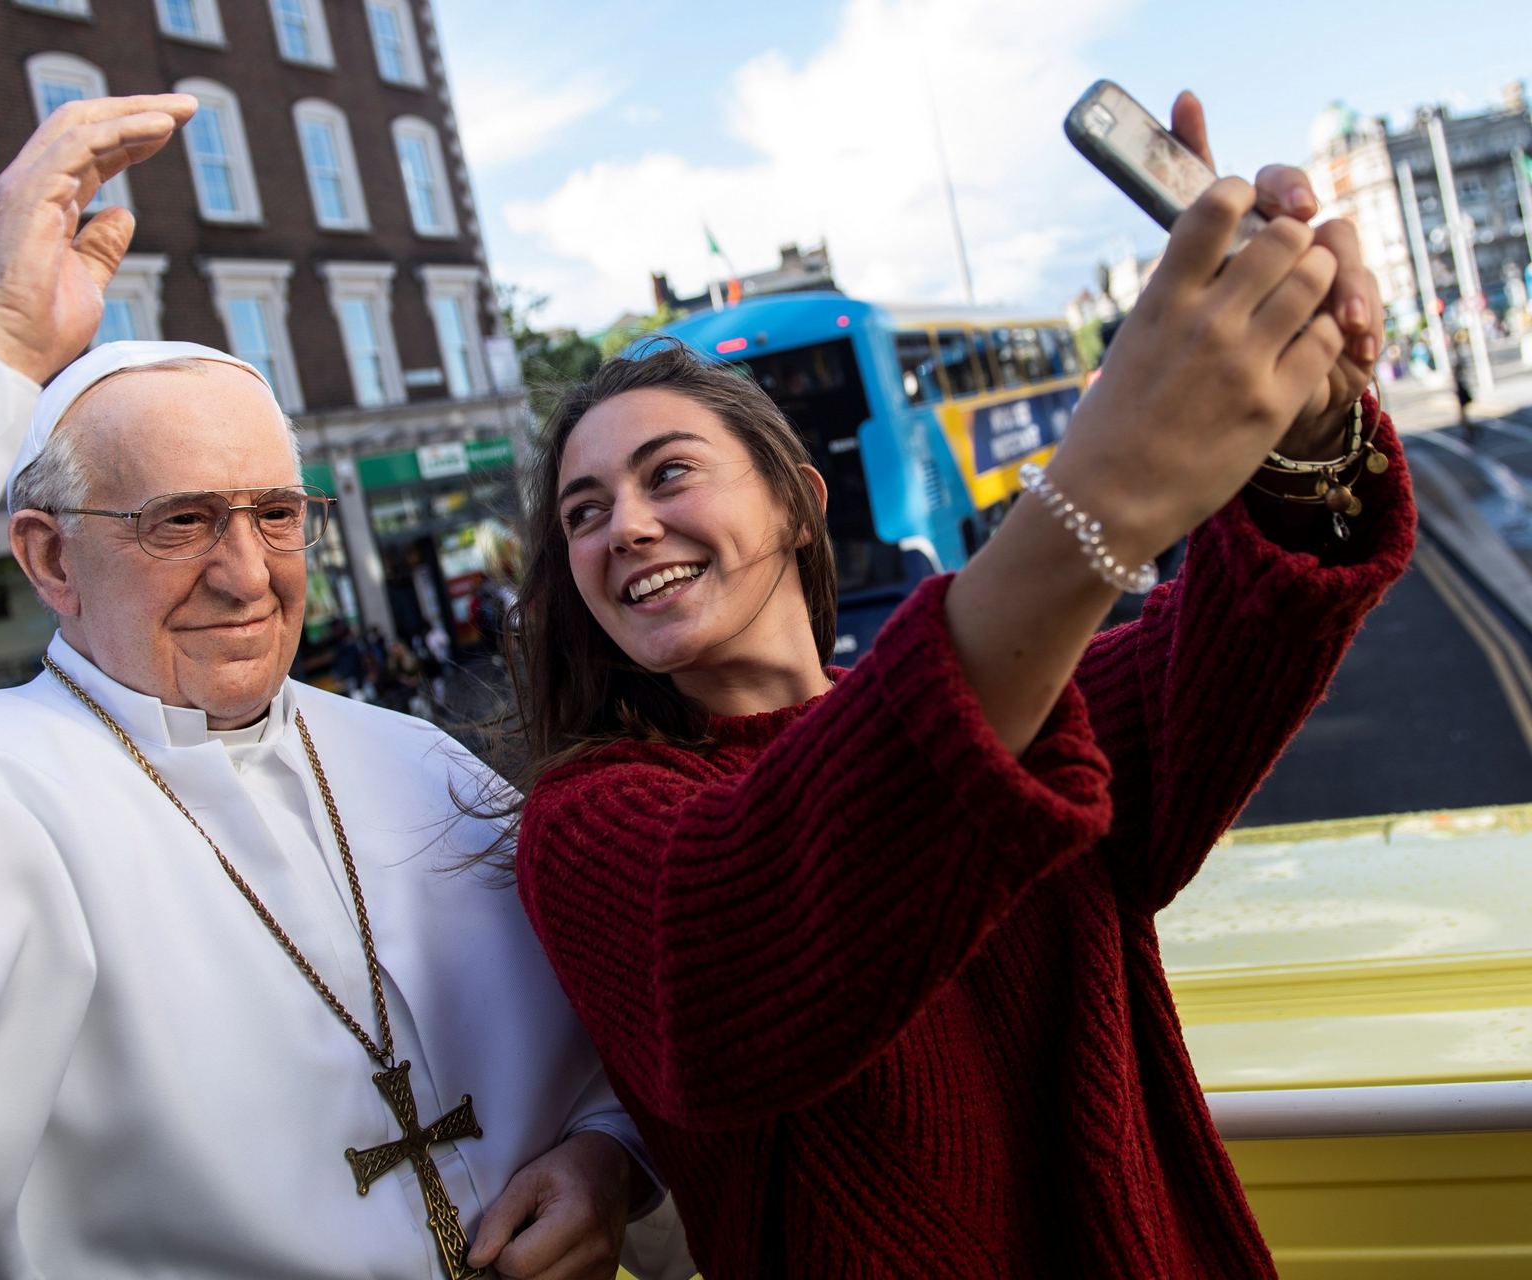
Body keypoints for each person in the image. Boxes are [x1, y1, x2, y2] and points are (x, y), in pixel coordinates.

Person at [0, 96, 689, 1280]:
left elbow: (616, 1048)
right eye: (180, 520)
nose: (244, 571)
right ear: (51, 558)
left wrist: (604, 1157)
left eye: (276, 514)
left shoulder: (417, 761)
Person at [499, 94, 1415, 1276]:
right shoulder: (589, 823)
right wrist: (1107, 490)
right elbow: (746, 929)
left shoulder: (1029, 712)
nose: (625, 525)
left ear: (796, 503)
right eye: (584, 512)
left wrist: (1312, 419)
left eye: (667, 471)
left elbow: (1230, 650)